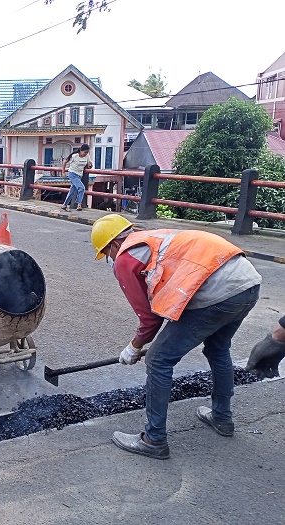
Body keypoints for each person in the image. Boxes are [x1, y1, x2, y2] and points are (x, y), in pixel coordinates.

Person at [90, 214, 261, 459]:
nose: (110, 259)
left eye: (107, 254)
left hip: (219, 292)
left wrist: (133, 347)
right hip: (247, 282)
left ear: (114, 245)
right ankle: (222, 418)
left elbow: (150, 320)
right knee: (218, 349)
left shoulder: (126, 258)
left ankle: (153, 439)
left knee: (158, 360)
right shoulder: (152, 239)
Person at [61, 144, 92, 212]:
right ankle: (79, 204)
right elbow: (65, 162)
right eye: (85, 152)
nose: (86, 154)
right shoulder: (74, 156)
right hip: (72, 174)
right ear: (81, 151)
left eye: (87, 152)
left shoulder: (87, 156)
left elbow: (89, 163)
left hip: (79, 175)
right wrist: (63, 172)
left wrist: (90, 165)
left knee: (72, 191)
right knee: (82, 188)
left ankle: (64, 205)